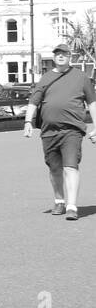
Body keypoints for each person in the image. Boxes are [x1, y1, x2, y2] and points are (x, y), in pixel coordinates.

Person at [23, 43, 96, 221]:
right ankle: (59, 200)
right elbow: (34, 101)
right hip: (49, 131)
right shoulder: (46, 77)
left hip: (72, 130)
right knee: (54, 169)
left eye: (64, 53)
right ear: (54, 57)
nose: (61, 56)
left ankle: (72, 206)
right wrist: (27, 121)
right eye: (58, 54)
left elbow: (92, 103)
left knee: (70, 166)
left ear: (69, 56)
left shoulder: (81, 77)